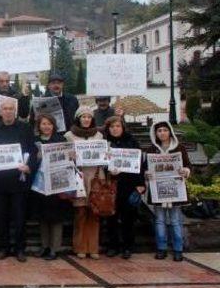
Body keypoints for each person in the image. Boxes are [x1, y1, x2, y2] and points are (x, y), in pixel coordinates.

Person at [0, 100, 38, 262]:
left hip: (19, 179)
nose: (8, 112)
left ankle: (20, 249)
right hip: (0, 179)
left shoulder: (25, 128)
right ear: (0, 111)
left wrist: (29, 167)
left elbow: (33, 150)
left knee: (19, 216)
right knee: (1, 216)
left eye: (11, 109)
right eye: (5, 109)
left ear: (15, 111)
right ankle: (3, 247)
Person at [145, 121, 192, 262]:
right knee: (159, 220)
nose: (162, 133)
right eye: (159, 131)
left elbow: (188, 165)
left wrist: (185, 171)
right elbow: (145, 168)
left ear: (170, 132)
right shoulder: (151, 149)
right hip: (157, 189)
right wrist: (147, 174)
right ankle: (161, 248)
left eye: (165, 130)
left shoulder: (179, 148)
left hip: (175, 189)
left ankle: (178, 249)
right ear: (155, 133)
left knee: (176, 220)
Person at [103, 116, 145, 259]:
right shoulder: (105, 143)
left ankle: (127, 246)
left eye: (118, 126)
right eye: (112, 126)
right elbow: (100, 162)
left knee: (128, 217)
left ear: (123, 127)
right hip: (111, 184)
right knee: (111, 217)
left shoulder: (132, 141)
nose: (115, 129)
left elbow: (140, 164)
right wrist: (107, 168)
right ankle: (113, 245)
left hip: (129, 184)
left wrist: (141, 184)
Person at [64, 106, 104, 259]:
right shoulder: (69, 135)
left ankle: (93, 247)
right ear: (78, 118)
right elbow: (65, 156)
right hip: (79, 177)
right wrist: (70, 155)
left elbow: (104, 156)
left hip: (95, 176)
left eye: (89, 117)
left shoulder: (99, 135)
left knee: (94, 213)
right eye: (83, 117)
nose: (86, 119)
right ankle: (79, 246)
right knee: (80, 212)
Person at [33, 114, 72, 260]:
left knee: (56, 218)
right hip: (39, 184)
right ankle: (45, 246)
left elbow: (67, 161)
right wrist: (36, 157)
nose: (46, 126)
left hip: (57, 184)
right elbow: (29, 160)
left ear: (53, 126)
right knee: (42, 217)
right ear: (39, 126)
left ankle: (55, 248)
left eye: (49, 124)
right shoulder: (34, 141)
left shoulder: (60, 140)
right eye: (43, 124)